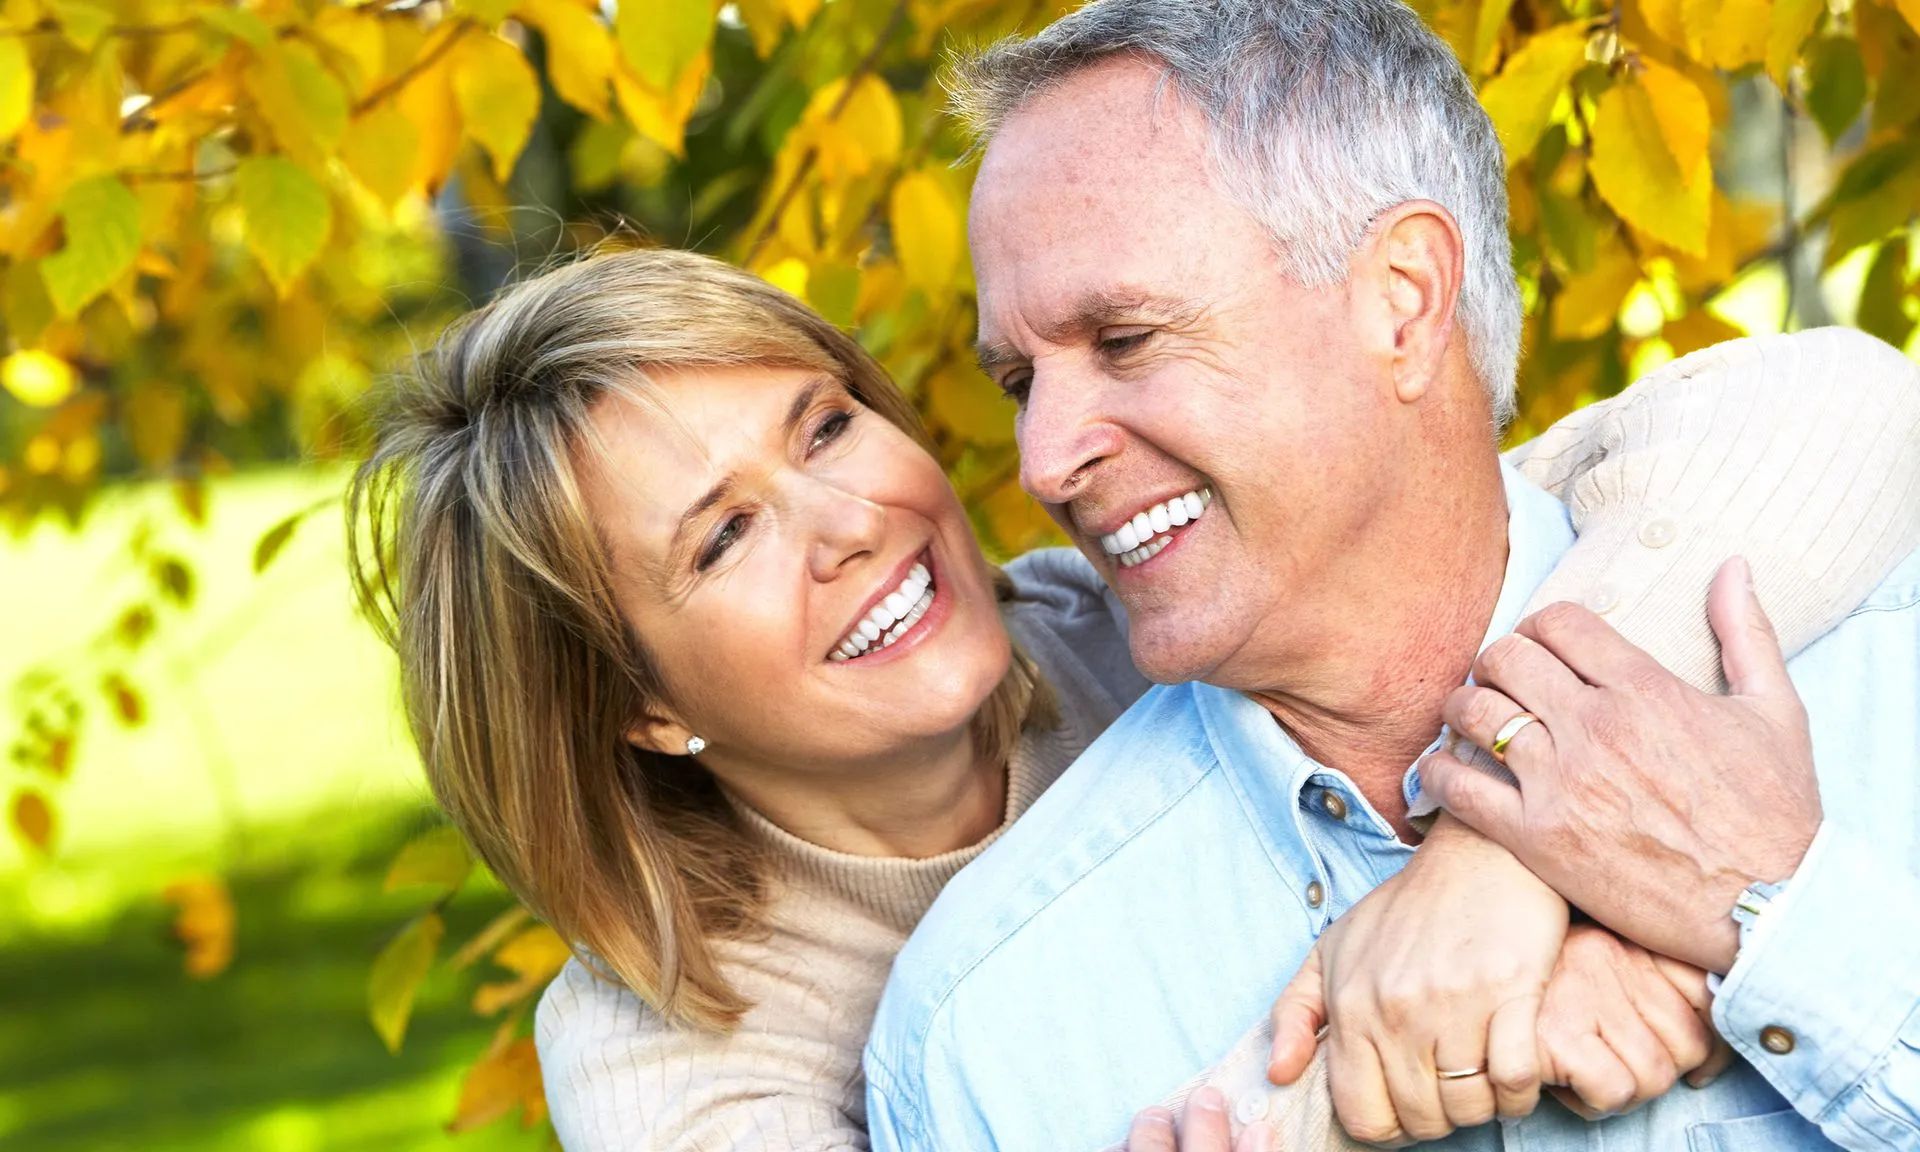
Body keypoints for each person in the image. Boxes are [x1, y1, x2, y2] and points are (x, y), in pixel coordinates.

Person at [346, 248, 1914, 1152]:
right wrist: (1480, 1017)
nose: (850, 526)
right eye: (726, 537)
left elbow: (1827, 413)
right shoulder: (672, 1048)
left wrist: (1508, 863)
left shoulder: (1138, 615)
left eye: (824, 428)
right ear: (642, 710)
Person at [862, 2, 1920, 1150]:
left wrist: (1780, 927)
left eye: (1125, 340)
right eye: (1020, 382)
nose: (1044, 459)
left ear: (1405, 301)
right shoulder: (989, 1034)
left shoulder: (1886, 657)